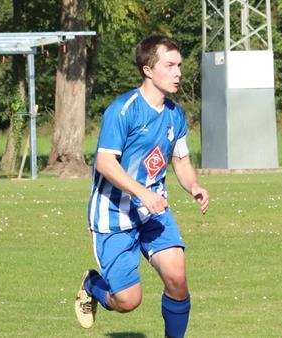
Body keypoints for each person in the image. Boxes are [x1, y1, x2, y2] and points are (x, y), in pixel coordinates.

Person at [74, 35, 209, 338]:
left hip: (152, 212)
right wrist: (143, 192)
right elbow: (105, 164)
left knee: (177, 278)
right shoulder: (122, 110)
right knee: (128, 301)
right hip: (113, 215)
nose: (178, 72)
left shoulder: (176, 114)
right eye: (170, 65)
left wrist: (194, 186)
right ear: (148, 69)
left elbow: (181, 160)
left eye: (179, 66)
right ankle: (92, 286)